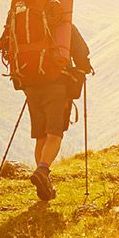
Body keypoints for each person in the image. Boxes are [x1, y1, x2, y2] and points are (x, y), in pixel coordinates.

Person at [26, 24, 93, 201]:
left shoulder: (25, 20)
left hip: (30, 84)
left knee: (41, 136)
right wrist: (84, 68)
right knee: (54, 134)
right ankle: (42, 170)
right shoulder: (63, 22)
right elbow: (81, 52)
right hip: (56, 85)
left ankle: (44, 182)